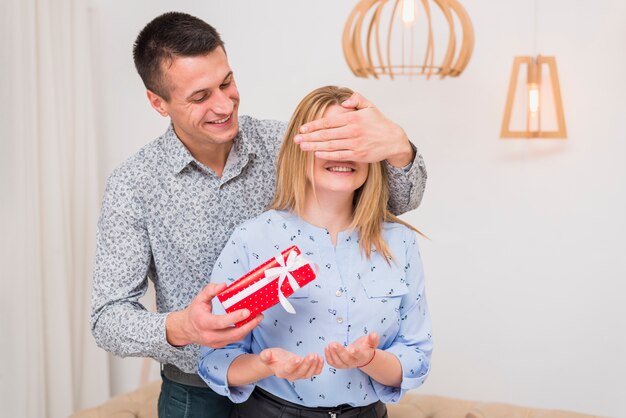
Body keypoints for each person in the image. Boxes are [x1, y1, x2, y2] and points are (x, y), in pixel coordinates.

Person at [91, 12, 427, 418]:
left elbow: (390, 200)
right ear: (158, 102)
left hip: (289, 389)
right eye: (200, 97)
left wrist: (398, 147)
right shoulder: (134, 184)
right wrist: (183, 328)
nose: (223, 104)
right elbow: (107, 318)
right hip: (197, 392)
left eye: (227, 83)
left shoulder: (291, 144)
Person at [198, 86, 432, 418]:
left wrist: (369, 360)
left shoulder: (399, 244)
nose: (342, 154)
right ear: (300, 149)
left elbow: (417, 356)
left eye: (351, 141)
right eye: (328, 141)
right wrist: (265, 365)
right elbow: (216, 357)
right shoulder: (257, 239)